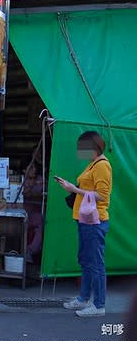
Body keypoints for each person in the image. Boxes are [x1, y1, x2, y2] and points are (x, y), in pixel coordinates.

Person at [55, 131, 112, 317]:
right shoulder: (93, 164)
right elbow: (89, 189)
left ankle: (99, 305)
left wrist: (74, 189)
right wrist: (72, 187)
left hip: (95, 221)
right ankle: (84, 298)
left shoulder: (102, 166)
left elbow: (102, 195)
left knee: (95, 263)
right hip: (86, 219)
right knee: (87, 261)